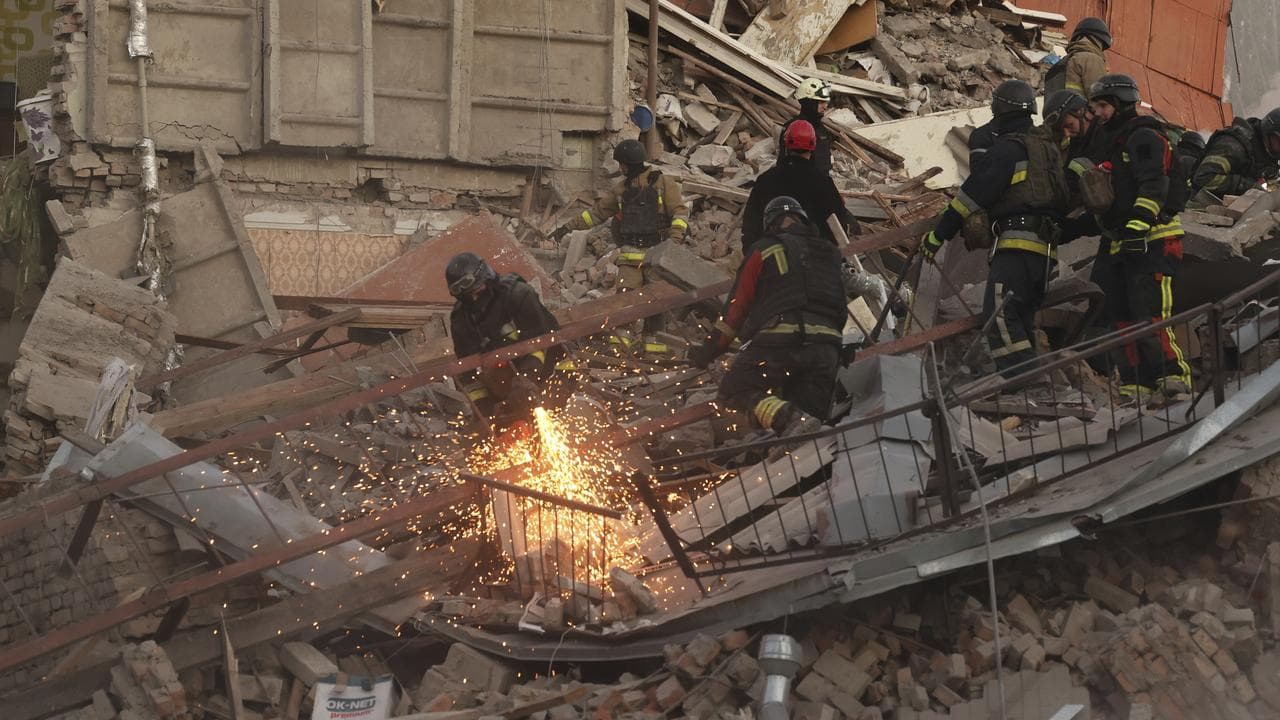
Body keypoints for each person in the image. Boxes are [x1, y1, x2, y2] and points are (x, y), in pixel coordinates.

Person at [920, 80, 1072, 379]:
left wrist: (938, 235)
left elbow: (970, 197)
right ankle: (1033, 383)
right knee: (1021, 317)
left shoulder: (1009, 149)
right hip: (1044, 252)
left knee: (999, 315)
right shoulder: (1047, 150)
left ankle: (1022, 381)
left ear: (999, 110)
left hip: (1016, 246)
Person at [1067, 74, 1193, 399]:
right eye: (1094, 107)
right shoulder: (1116, 143)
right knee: (1119, 318)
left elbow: (1154, 184)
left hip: (1154, 240)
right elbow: (1114, 202)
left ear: (1123, 105)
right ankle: (1137, 384)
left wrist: (1139, 225)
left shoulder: (1144, 137)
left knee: (1149, 314)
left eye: (1104, 106)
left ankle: (1173, 380)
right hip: (1123, 242)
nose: (1098, 114)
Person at [689, 197, 847, 445]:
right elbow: (840, 306)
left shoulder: (764, 249)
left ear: (770, 224)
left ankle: (787, 417)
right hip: (827, 349)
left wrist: (708, 351)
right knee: (809, 439)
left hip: (783, 341)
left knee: (735, 389)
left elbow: (736, 310)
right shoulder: (830, 253)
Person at [552, 139, 689, 350]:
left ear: (626, 164)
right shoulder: (621, 190)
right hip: (635, 256)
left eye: (621, 164)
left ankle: (653, 346)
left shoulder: (662, 183)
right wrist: (567, 227)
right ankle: (622, 345)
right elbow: (596, 214)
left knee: (654, 300)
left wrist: (675, 239)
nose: (620, 168)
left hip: (657, 254)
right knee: (628, 298)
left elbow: (679, 211)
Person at [445, 252, 570, 423]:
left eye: (477, 291)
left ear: (485, 277)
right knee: (490, 432)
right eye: (468, 296)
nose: (474, 298)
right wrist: (484, 408)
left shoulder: (518, 294)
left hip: (555, 368)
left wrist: (524, 381)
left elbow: (540, 344)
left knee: (552, 416)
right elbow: (469, 372)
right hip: (509, 382)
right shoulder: (461, 320)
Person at [742, 120, 859, 251]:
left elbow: (750, 225)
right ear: (813, 146)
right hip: (812, 260)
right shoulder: (823, 182)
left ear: (786, 145)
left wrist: (753, 257)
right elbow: (839, 228)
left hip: (771, 258)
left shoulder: (765, 180)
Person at [1191, 108, 1280, 197]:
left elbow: (1271, 186)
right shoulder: (1233, 145)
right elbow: (1204, 178)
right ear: (1269, 133)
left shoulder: (1269, 155)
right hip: (1203, 206)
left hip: (1240, 208)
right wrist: (1249, 187)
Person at [969, 80, 1042, 169]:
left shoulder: (1040, 139)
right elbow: (981, 176)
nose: (1024, 123)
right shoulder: (985, 136)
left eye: (1026, 117)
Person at [778, 78, 834, 176]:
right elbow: (784, 164)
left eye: (825, 102)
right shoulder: (795, 129)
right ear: (809, 102)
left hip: (820, 183)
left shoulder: (821, 129)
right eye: (821, 102)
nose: (825, 107)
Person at [1044, 16, 1111, 95]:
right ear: (1098, 40)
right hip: (1080, 107)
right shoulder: (1091, 58)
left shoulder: (1063, 62)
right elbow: (1100, 97)